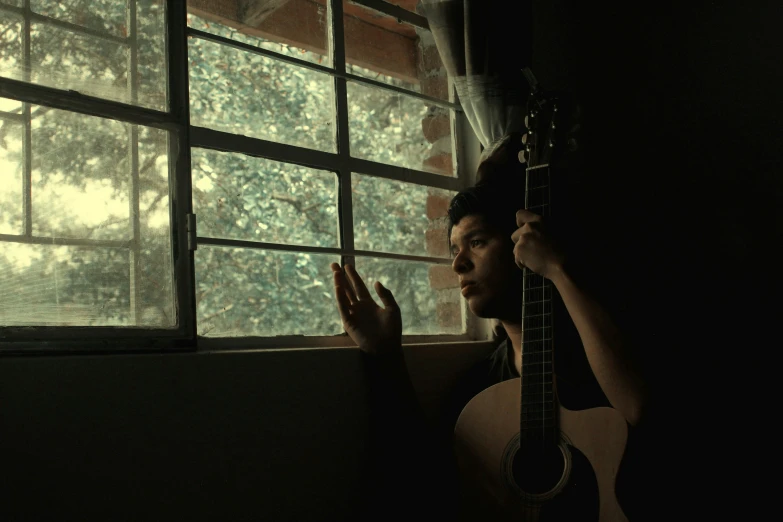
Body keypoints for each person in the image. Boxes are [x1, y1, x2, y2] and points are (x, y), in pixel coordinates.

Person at [330, 135, 650, 520]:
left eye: (476, 242)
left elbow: (638, 407)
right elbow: (422, 480)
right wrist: (383, 355)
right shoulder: (480, 389)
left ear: (521, 244)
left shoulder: (597, 346)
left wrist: (556, 270)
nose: (458, 264)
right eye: (454, 251)